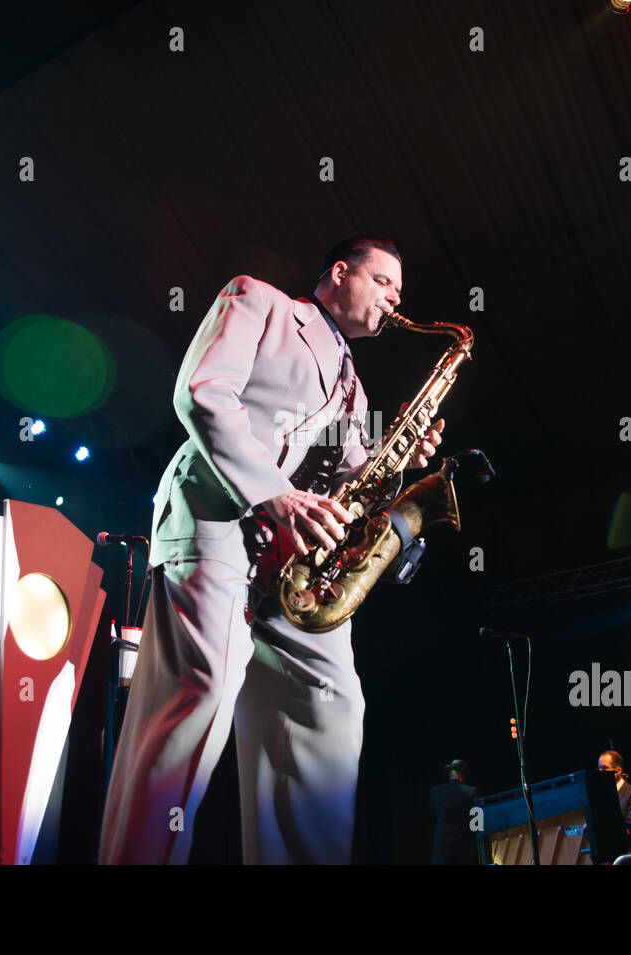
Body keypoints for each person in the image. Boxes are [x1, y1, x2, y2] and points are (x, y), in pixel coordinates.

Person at [99, 237, 446, 864]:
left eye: (401, 290)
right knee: (198, 697)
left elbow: (351, 485)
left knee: (330, 704)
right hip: (216, 517)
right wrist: (277, 496)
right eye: (384, 281)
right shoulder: (258, 301)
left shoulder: (355, 391)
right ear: (340, 275)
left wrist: (401, 464)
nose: (397, 299)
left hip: (291, 560)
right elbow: (201, 395)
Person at [430, 759, 479, 864]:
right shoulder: (472, 791)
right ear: (462, 774)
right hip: (464, 849)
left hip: (441, 848)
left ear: (450, 773)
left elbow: (433, 818)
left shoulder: (435, 792)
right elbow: (477, 826)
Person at [598, 749, 631, 824]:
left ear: (618, 771)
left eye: (604, 768)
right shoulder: (599, 795)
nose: (600, 773)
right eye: (599, 769)